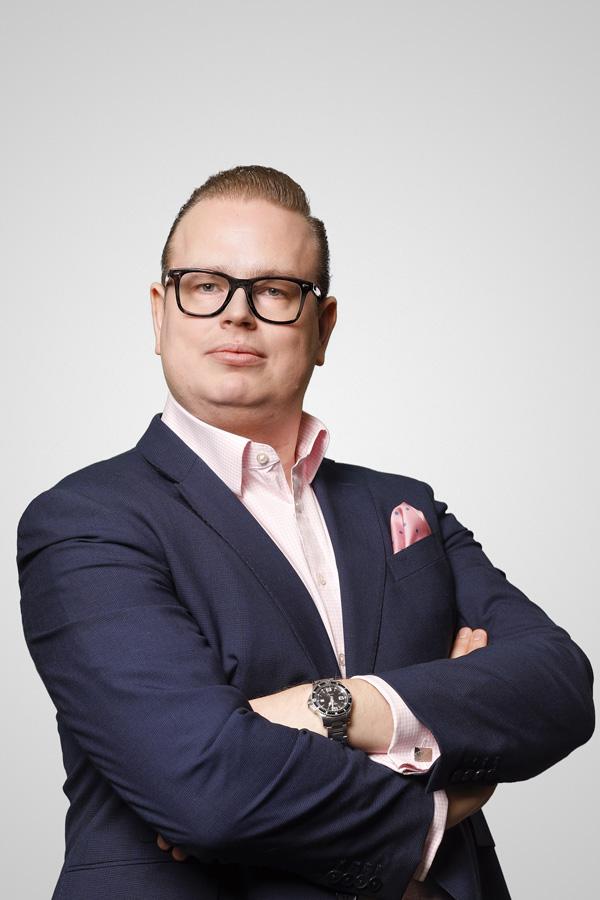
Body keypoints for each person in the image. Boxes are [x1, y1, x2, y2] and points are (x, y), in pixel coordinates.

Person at [17, 164, 594, 900]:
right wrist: (436, 803)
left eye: (275, 290)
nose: (237, 314)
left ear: (323, 328)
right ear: (160, 315)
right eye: (204, 285)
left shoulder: (403, 506)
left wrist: (335, 707)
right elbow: (207, 788)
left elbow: (558, 685)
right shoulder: (84, 522)